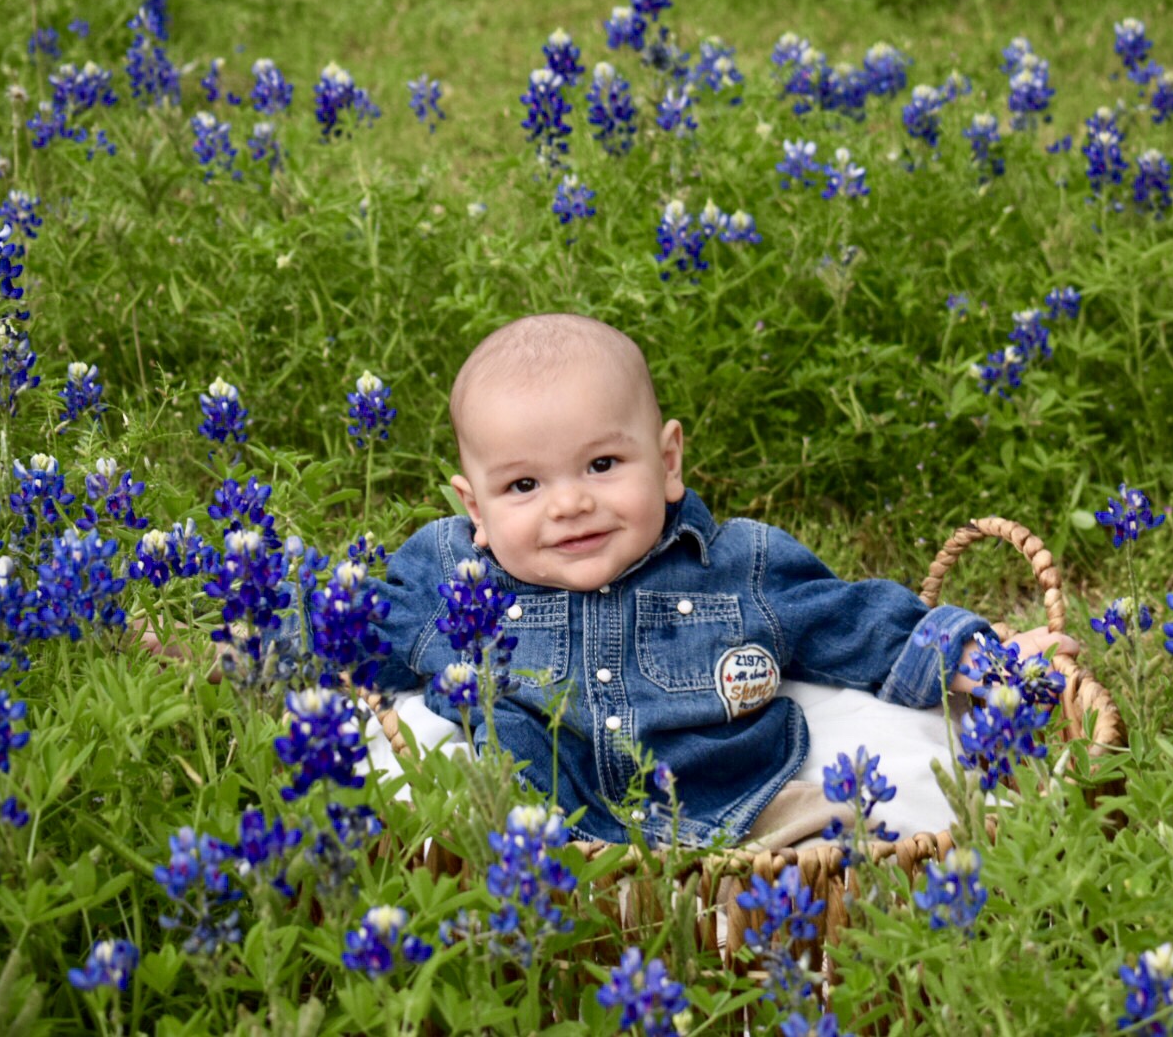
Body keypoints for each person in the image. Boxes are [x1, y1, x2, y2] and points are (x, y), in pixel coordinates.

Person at [302, 312, 1075, 847]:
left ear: (668, 462)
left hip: (736, 806)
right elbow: (349, 631)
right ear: (474, 508)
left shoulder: (737, 565)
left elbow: (854, 622)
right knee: (407, 801)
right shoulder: (454, 573)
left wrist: (984, 660)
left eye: (603, 465)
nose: (570, 503)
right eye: (524, 487)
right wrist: (242, 648)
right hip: (532, 825)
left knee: (850, 838)